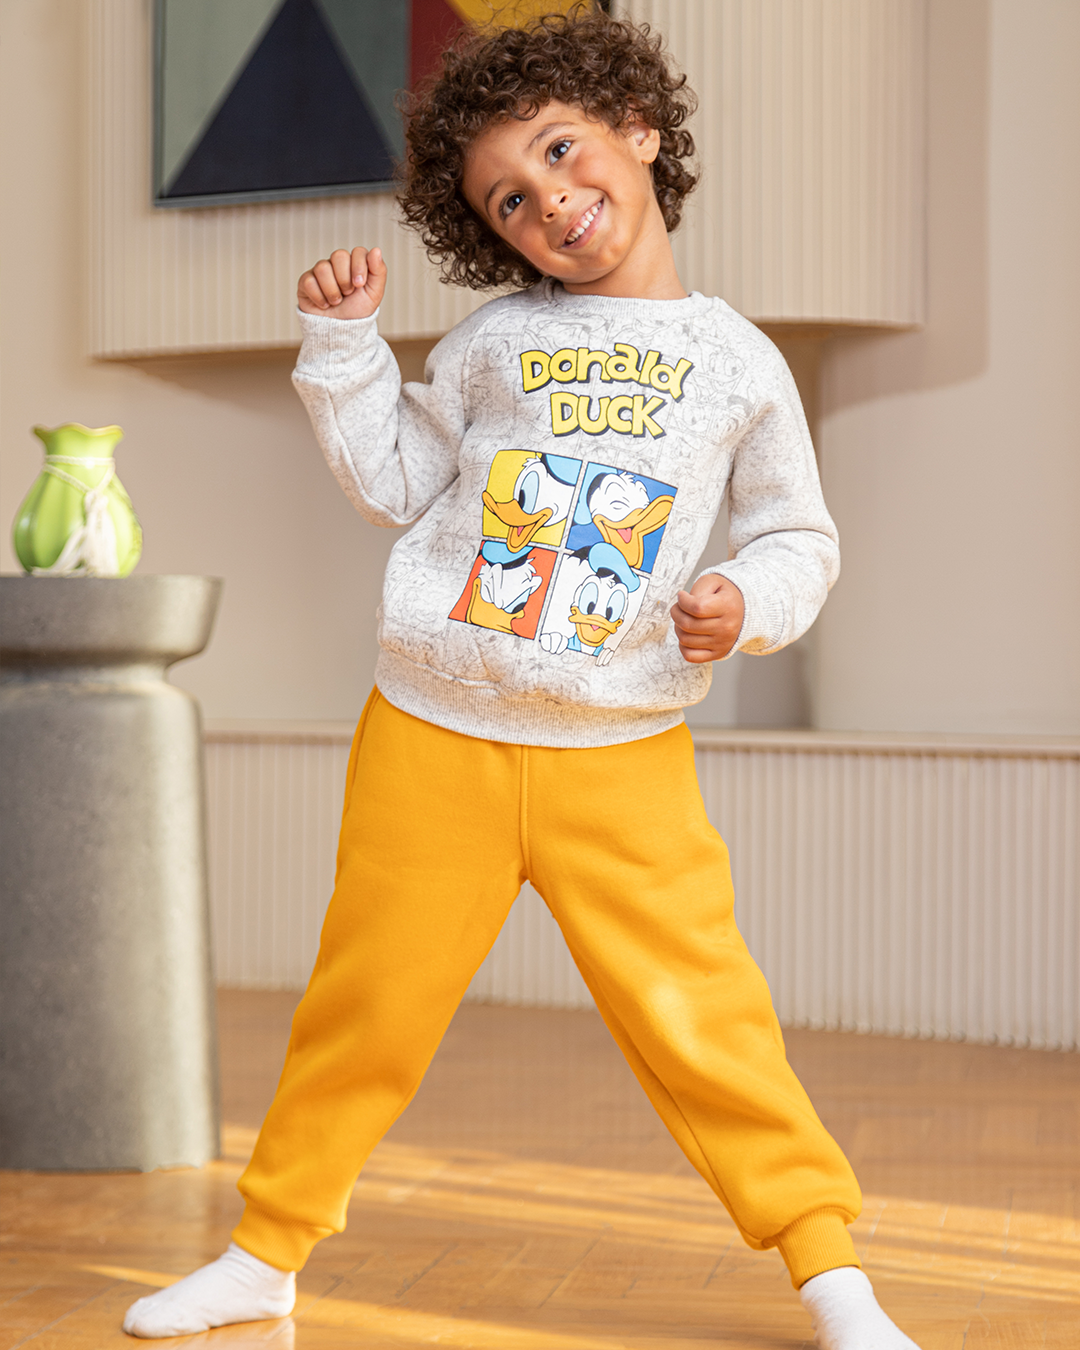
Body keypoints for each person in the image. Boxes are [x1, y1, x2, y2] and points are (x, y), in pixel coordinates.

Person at [124, 10, 919, 1348]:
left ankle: (831, 1273)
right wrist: (345, 347)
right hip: (433, 730)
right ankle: (266, 1254)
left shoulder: (739, 362)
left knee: (704, 1020)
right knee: (365, 1006)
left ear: (639, 131)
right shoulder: (493, 343)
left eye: (560, 151)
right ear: (492, 234)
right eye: (508, 197)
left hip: (622, 752)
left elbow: (798, 536)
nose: (549, 199)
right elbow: (395, 483)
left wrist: (749, 601)